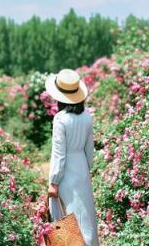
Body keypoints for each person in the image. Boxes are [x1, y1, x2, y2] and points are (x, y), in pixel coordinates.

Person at [45, 68, 99, 246]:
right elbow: (90, 151)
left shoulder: (60, 119)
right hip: (82, 168)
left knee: (67, 219)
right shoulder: (87, 117)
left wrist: (54, 182)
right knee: (85, 218)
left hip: (66, 173)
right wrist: (85, 171)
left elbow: (59, 154)